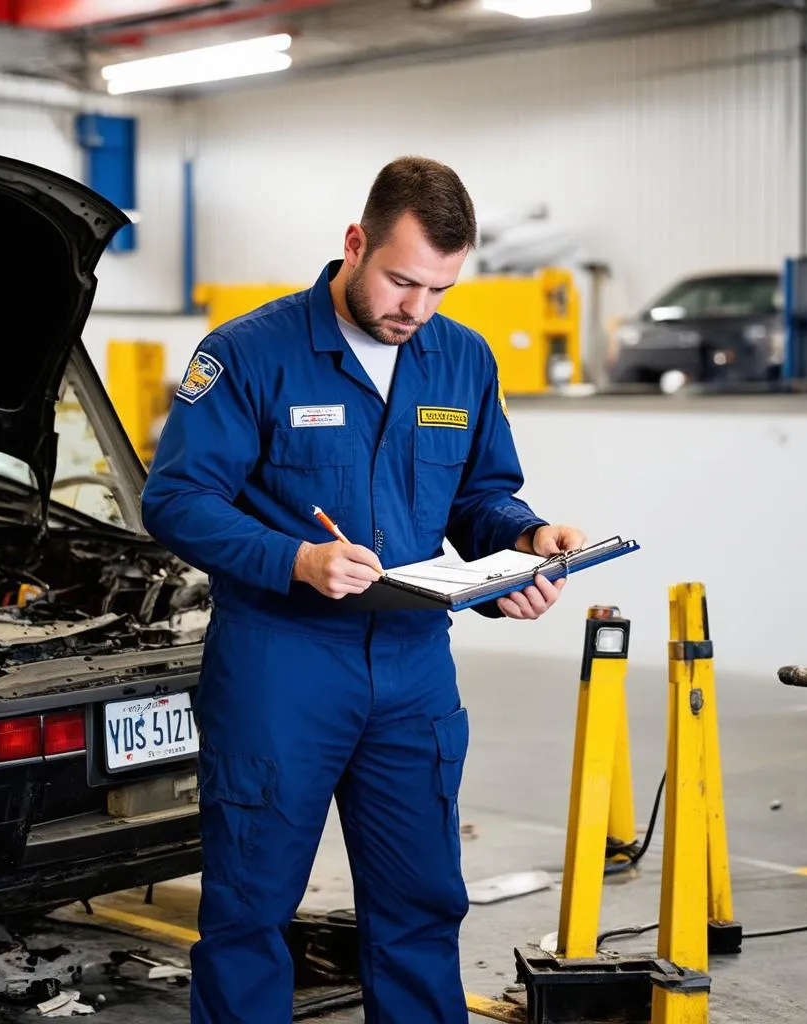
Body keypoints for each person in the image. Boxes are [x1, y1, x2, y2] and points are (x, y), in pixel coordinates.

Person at [141, 155, 586, 1024]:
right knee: (249, 915)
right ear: (355, 243)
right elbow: (176, 500)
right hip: (282, 665)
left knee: (421, 909)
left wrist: (527, 547)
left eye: (439, 291)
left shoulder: (460, 359)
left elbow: (479, 498)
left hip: (414, 670)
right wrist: (294, 560)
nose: (414, 310)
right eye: (401, 280)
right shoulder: (247, 353)